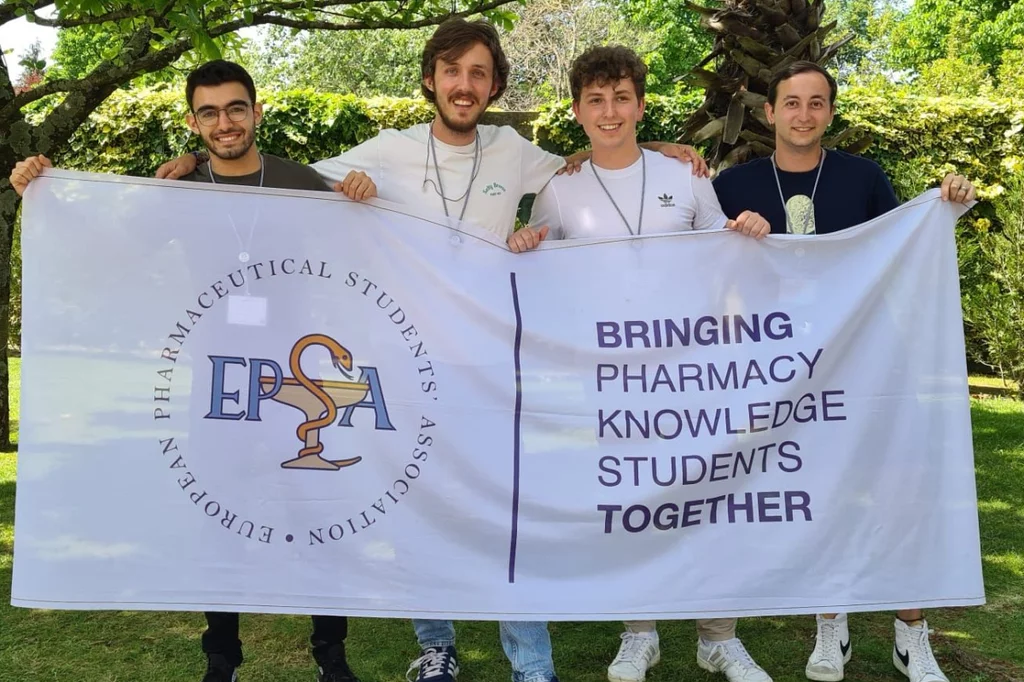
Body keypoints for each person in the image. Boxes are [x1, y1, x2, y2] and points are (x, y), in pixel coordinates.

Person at [154, 18, 708, 682]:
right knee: (416, 513)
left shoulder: (512, 149)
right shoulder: (387, 148)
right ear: (430, 79)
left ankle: (531, 664)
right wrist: (196, 166)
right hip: (403, 366)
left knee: (506, 511)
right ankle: (436, 648)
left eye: (477, 73)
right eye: (451, 71)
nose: (464, 85)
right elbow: (278, 178)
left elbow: (590, 157)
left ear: (493, 83)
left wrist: (663, 146)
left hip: (488, 363)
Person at [9, 59, 371, 682]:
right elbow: (111, 248)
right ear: (193, 122)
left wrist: (365, 197)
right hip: (217, 382)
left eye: (235, 108)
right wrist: (43, 195)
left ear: (257, 112)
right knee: (219, 519)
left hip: (292, 380)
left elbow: (373, 245)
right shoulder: (178, 190)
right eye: (209, 112)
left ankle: (331, 655)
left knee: (315, 516)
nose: (224, 123)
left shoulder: (302, 183)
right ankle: (222, 657)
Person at [509, 44, 772, 682]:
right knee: (630, 499)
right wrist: (522, 245)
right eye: (595, 100)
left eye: (620, 98)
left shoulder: (686, 174)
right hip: (611, 376)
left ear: (640, 104)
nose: (609, 111)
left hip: (690, 369)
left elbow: (721, 252)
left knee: (710, 500)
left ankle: (718, 636)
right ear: (576, 111)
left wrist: (752, 230)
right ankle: (639, 631)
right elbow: (541, 270)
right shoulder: (560, 188)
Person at [712, 60, 976, 682]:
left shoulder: (864, 177)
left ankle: (913, 635)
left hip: (868, 361)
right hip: (784, 373)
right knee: (822, 496)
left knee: (895, 490)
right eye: (791, 102)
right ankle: (832, 624)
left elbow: (905, 245)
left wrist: (948, 205)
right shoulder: (735, 185)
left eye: (816, 102)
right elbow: (706, 268)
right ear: (769, 112)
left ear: (830, 112)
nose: (803, 114)